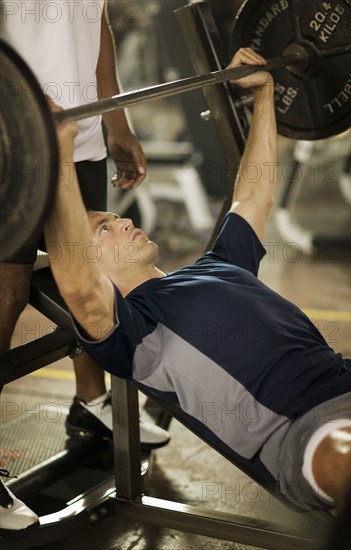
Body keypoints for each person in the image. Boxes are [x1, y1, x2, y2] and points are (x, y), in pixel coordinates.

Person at [45, 47, 351, 516]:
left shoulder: (216, 264)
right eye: (105, 229)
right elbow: (78, 290)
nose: (124, 221)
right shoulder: (134, 333)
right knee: (348, 455)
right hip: (307, 433)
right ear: (87, 261)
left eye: (115, 216)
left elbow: (254, 193)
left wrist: (264, 93)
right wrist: (59, 160)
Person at [0, 0, 169, 533]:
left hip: (83, 134)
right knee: (6, 292)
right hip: (15, 135)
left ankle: (91, 401)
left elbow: (95, 23)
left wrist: (114, 118)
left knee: (92, 279)